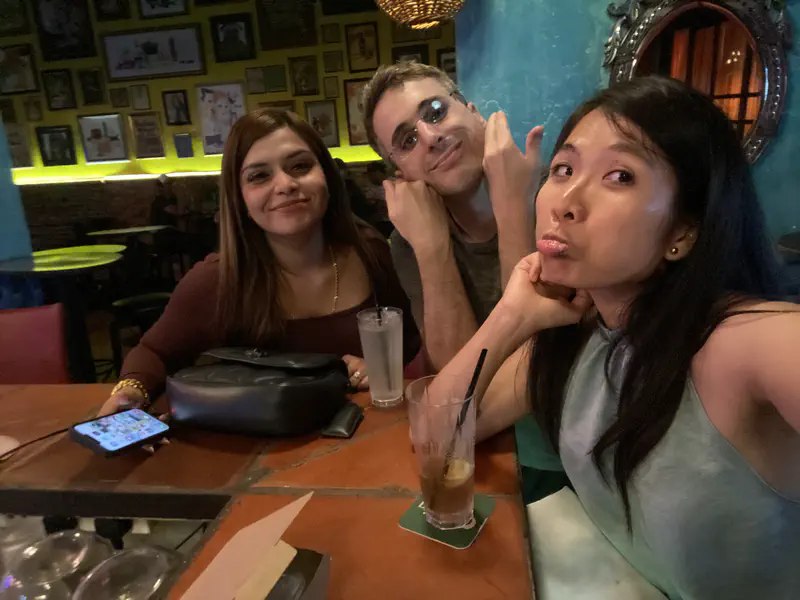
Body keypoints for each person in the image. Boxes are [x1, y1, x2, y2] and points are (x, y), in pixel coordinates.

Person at [432, 76, 799, 598]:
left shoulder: (742, 343)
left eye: (620, 176)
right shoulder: (579, 332)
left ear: (682, 232)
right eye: (563, 169)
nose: (566, 201)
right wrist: (512, 315)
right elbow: (440, 433)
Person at [100, 108, 421, 416]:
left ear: (327, 176)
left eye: (300, 166)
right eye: (259, 176)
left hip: (361, 445)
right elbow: (155, 353)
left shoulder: (373, 254)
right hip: (256, 455)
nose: (284, 185)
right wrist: (130, 391)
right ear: (239, 198)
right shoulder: (216, 280)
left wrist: (377, 370)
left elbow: (411, 341)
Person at [362, 61, 542, 371]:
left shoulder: (557, 198)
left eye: (435, 111)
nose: (430, 137)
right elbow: (460, 384)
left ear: (473, 112)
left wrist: (515, 209)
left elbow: (534, 363)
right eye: (407, 141)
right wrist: (432, 249)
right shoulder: (408, 244)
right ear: (401, 173)